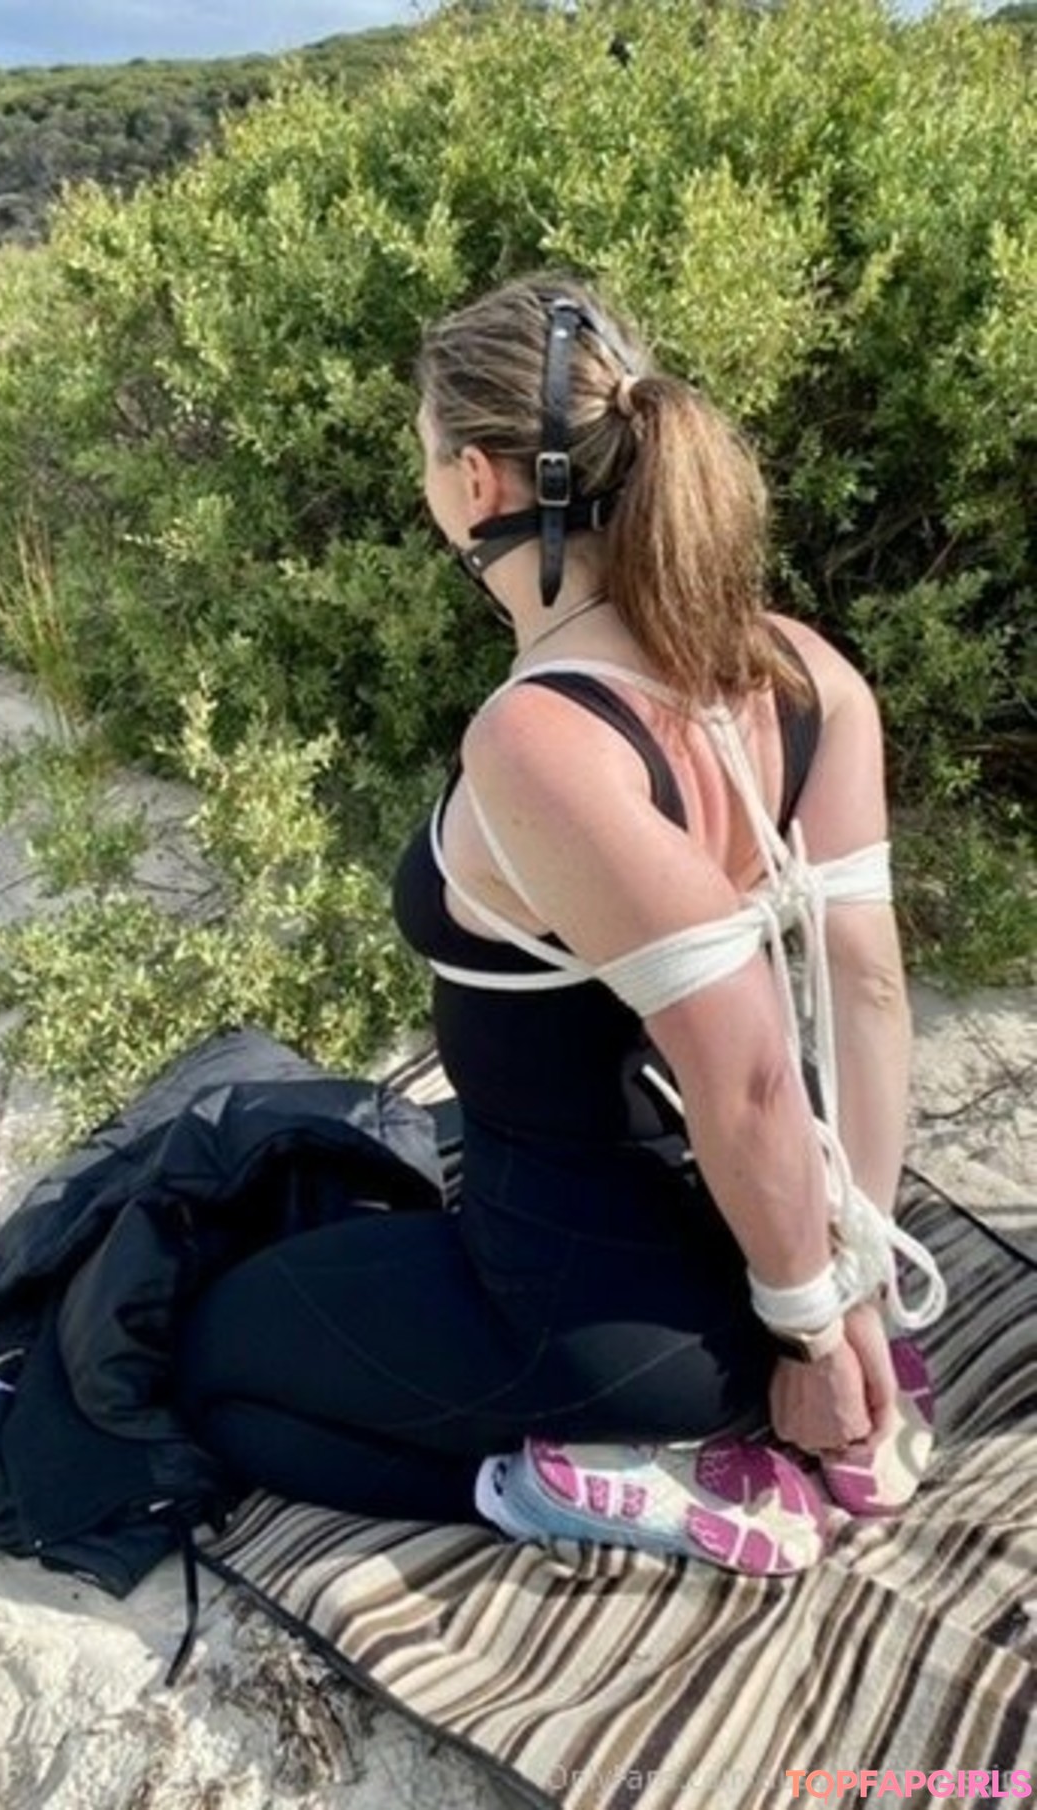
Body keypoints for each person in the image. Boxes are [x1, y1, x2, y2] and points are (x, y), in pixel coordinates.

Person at [176, 274, 945, 1576]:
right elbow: (866, 993)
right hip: (785, 1233)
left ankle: (576, 1478)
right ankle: (802, 1413)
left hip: (613, 1319)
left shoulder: (542, 736)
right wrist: (851, 1280)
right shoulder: (804, 669)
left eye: (424, 450)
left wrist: (813, 1341)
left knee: (219, 1364)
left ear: (476, 481)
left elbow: (749, 1075)